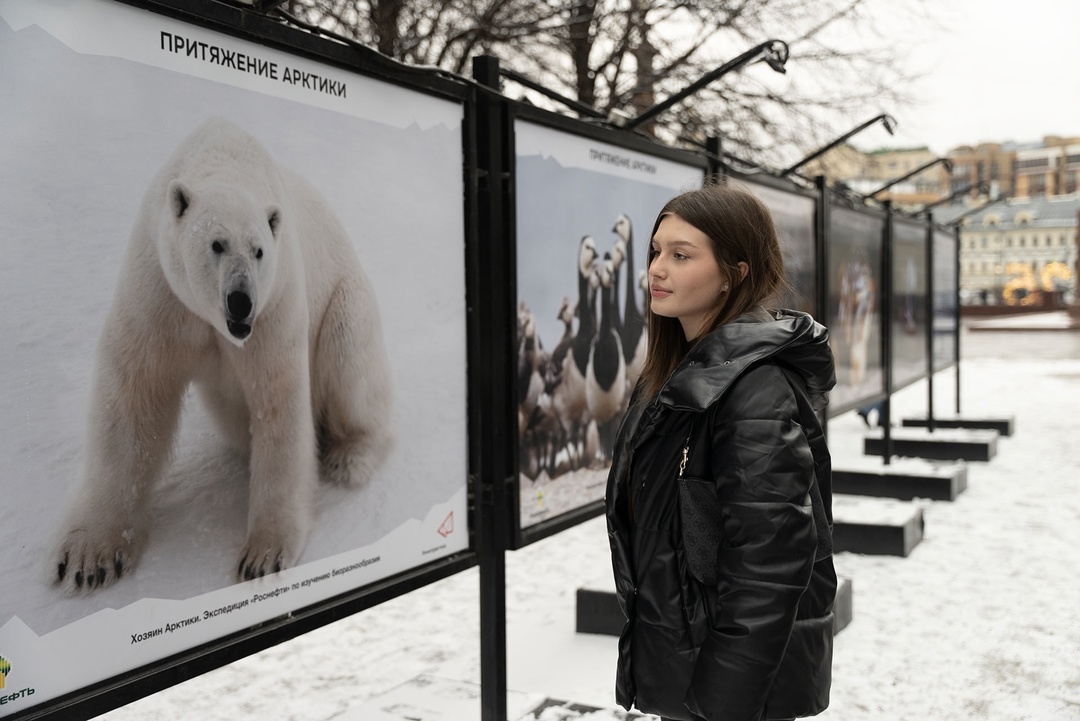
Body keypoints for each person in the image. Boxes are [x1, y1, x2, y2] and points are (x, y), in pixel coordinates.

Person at [605, 181, 837, 721]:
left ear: (736, 272)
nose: (656, 269)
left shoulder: (755, 390)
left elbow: (769, 565)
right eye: (656, 251)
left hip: (731, 689)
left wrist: (722, 702)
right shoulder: (674, 374)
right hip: (689, 669)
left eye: (681, 255)